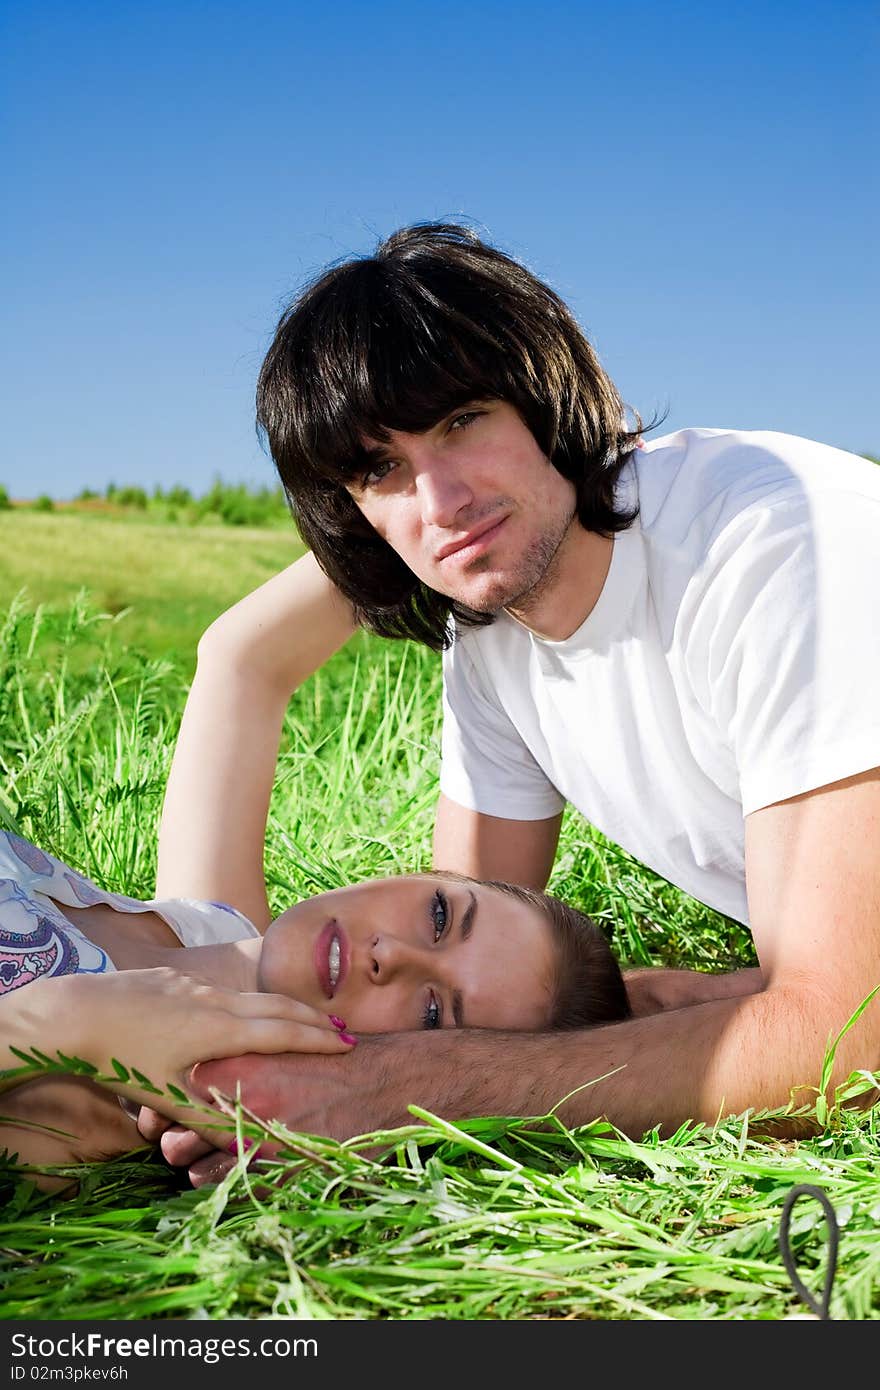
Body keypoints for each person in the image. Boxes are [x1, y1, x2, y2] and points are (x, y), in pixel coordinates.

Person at [141, 220, 879, 1188]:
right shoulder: (490, 643)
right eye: (379, 469)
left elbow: (844, 1049)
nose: (439, 500)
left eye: (459, 421)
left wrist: (412, 1092)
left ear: (542, 394)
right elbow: (466, 976)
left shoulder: (766, 545)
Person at [0, 553, 633, 1192]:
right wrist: (449, 514)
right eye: (440, 916)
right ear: (414, 873)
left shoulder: (85, 1113)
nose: (393, 956)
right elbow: (244, 662)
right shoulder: (213, 927)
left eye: (434, 1013)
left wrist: (71, 1024)